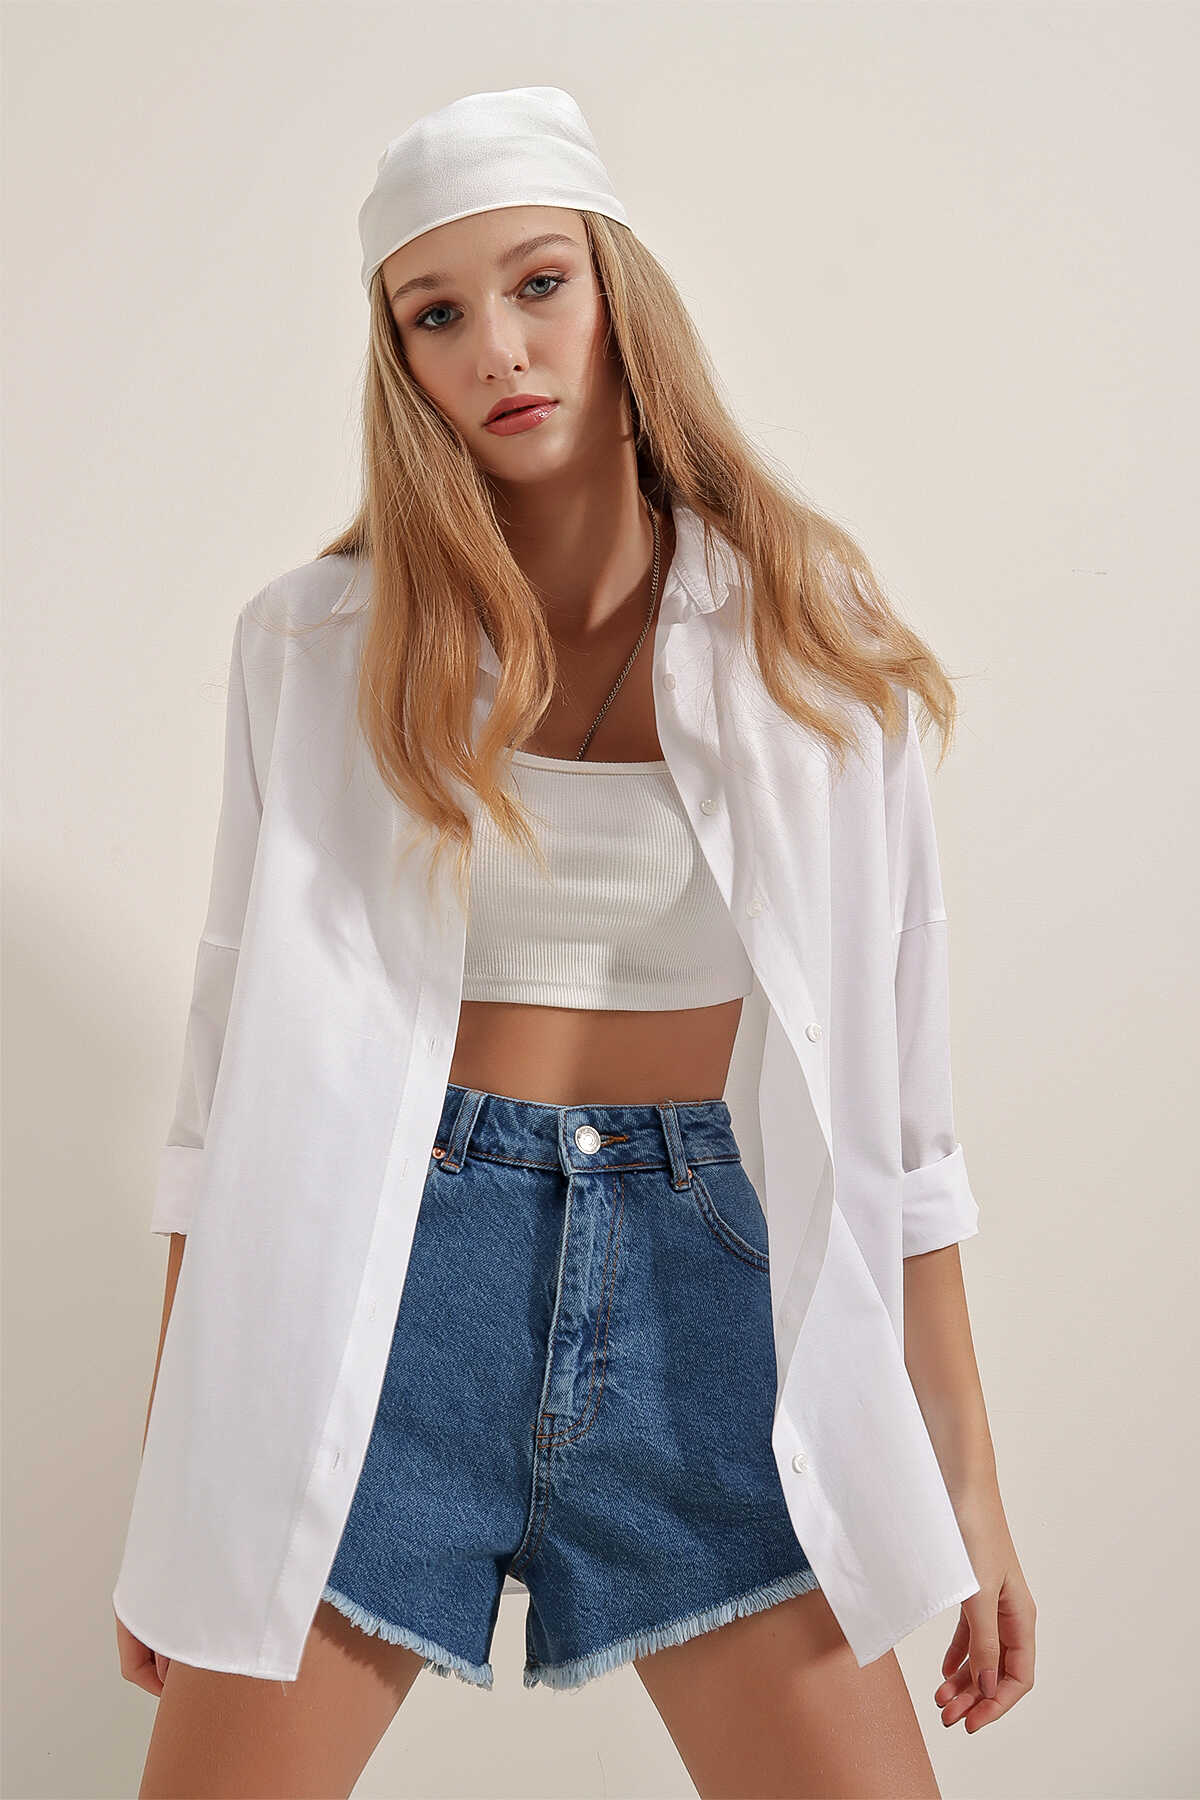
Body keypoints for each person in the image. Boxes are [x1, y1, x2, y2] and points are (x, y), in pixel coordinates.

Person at [114, 86, 1036, 1799]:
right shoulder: (313, 648)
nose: (499, 349)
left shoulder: (811, 645)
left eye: (539, 283)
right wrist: (182, 1491)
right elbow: (218, 1098)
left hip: (704, 1296)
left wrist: (967, 1489)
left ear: (619, 292)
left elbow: (905, 1123)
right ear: (400, 359)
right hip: (385, 1289)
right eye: (437, 314)